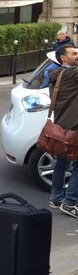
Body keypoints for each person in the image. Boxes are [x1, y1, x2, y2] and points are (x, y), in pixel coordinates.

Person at [47, 45, 78, 217]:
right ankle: (69, 202)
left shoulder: (56, 74)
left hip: (62, 125)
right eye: (74, 53)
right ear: (63, 58)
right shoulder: (72, 74)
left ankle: (56, 198)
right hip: (74, 126)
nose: (77, 56)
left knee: (61, 163)